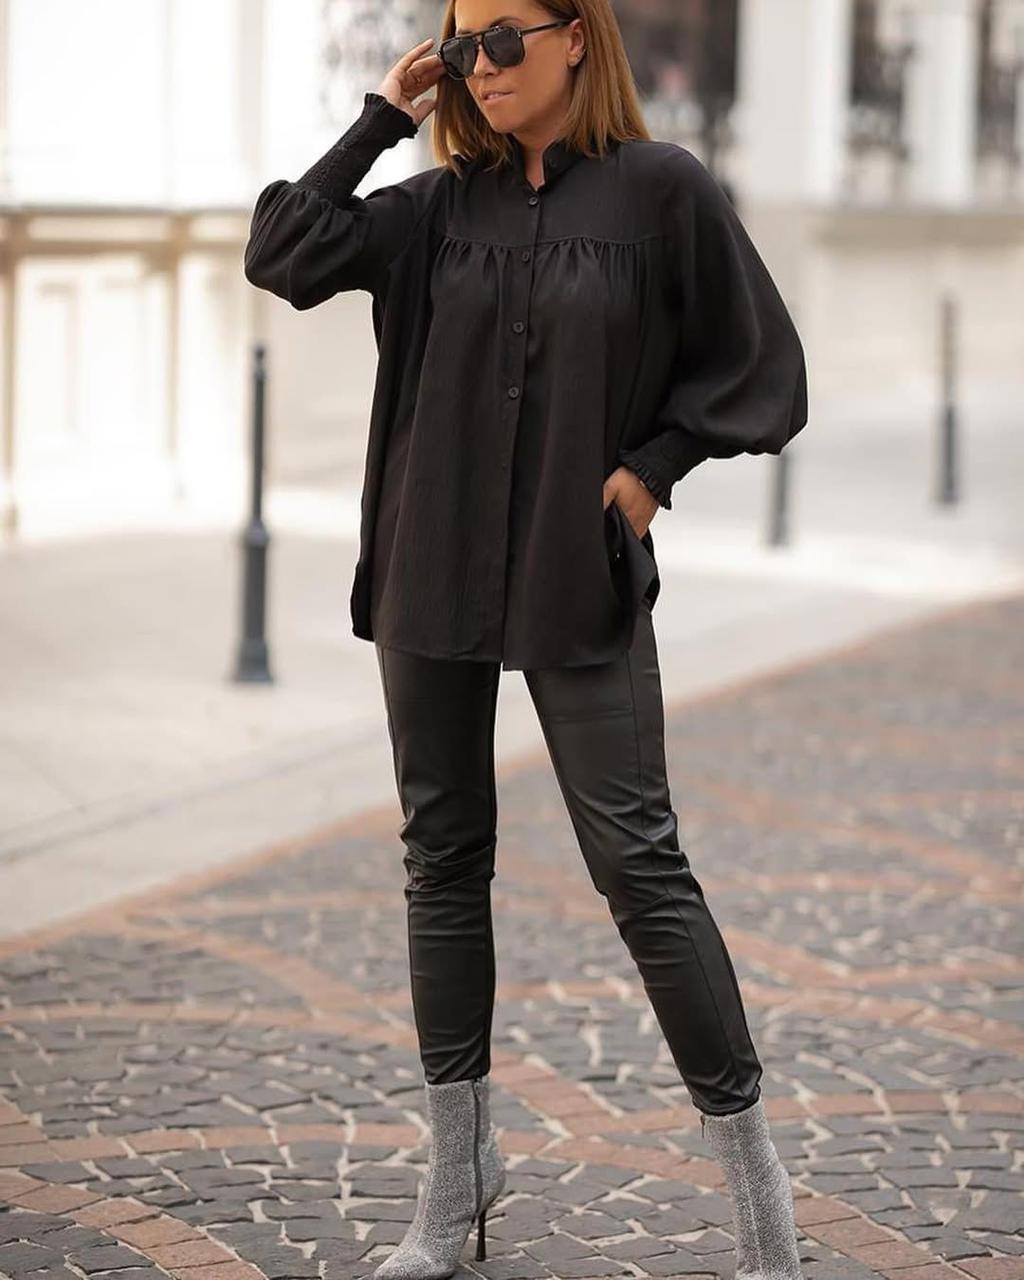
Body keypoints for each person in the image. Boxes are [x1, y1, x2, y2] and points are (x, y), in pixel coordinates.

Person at [243, 2, 809, 1278]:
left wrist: (654, 466)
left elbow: (763, 363)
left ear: (575, 38)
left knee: (640, 862)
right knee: (441, 857)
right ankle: (458, 1177)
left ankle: (756, 1189)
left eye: (502, 39)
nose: (479, 67)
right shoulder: (435, 207)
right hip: (431, 564)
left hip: (574, 566)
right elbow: (281, 251)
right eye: (459, 46)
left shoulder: (660, 192)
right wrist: (383, 116)